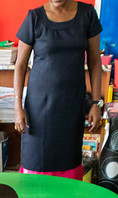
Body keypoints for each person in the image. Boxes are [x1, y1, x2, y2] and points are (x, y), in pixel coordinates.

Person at [14, 0, 103, 180]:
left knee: (68, 159)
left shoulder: (87, 14)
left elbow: (95, 62)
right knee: (36, 159)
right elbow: (20, 65)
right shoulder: (35, 17)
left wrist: (95, 103)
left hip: (71, 105)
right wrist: (17, 107)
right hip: (38, 106)